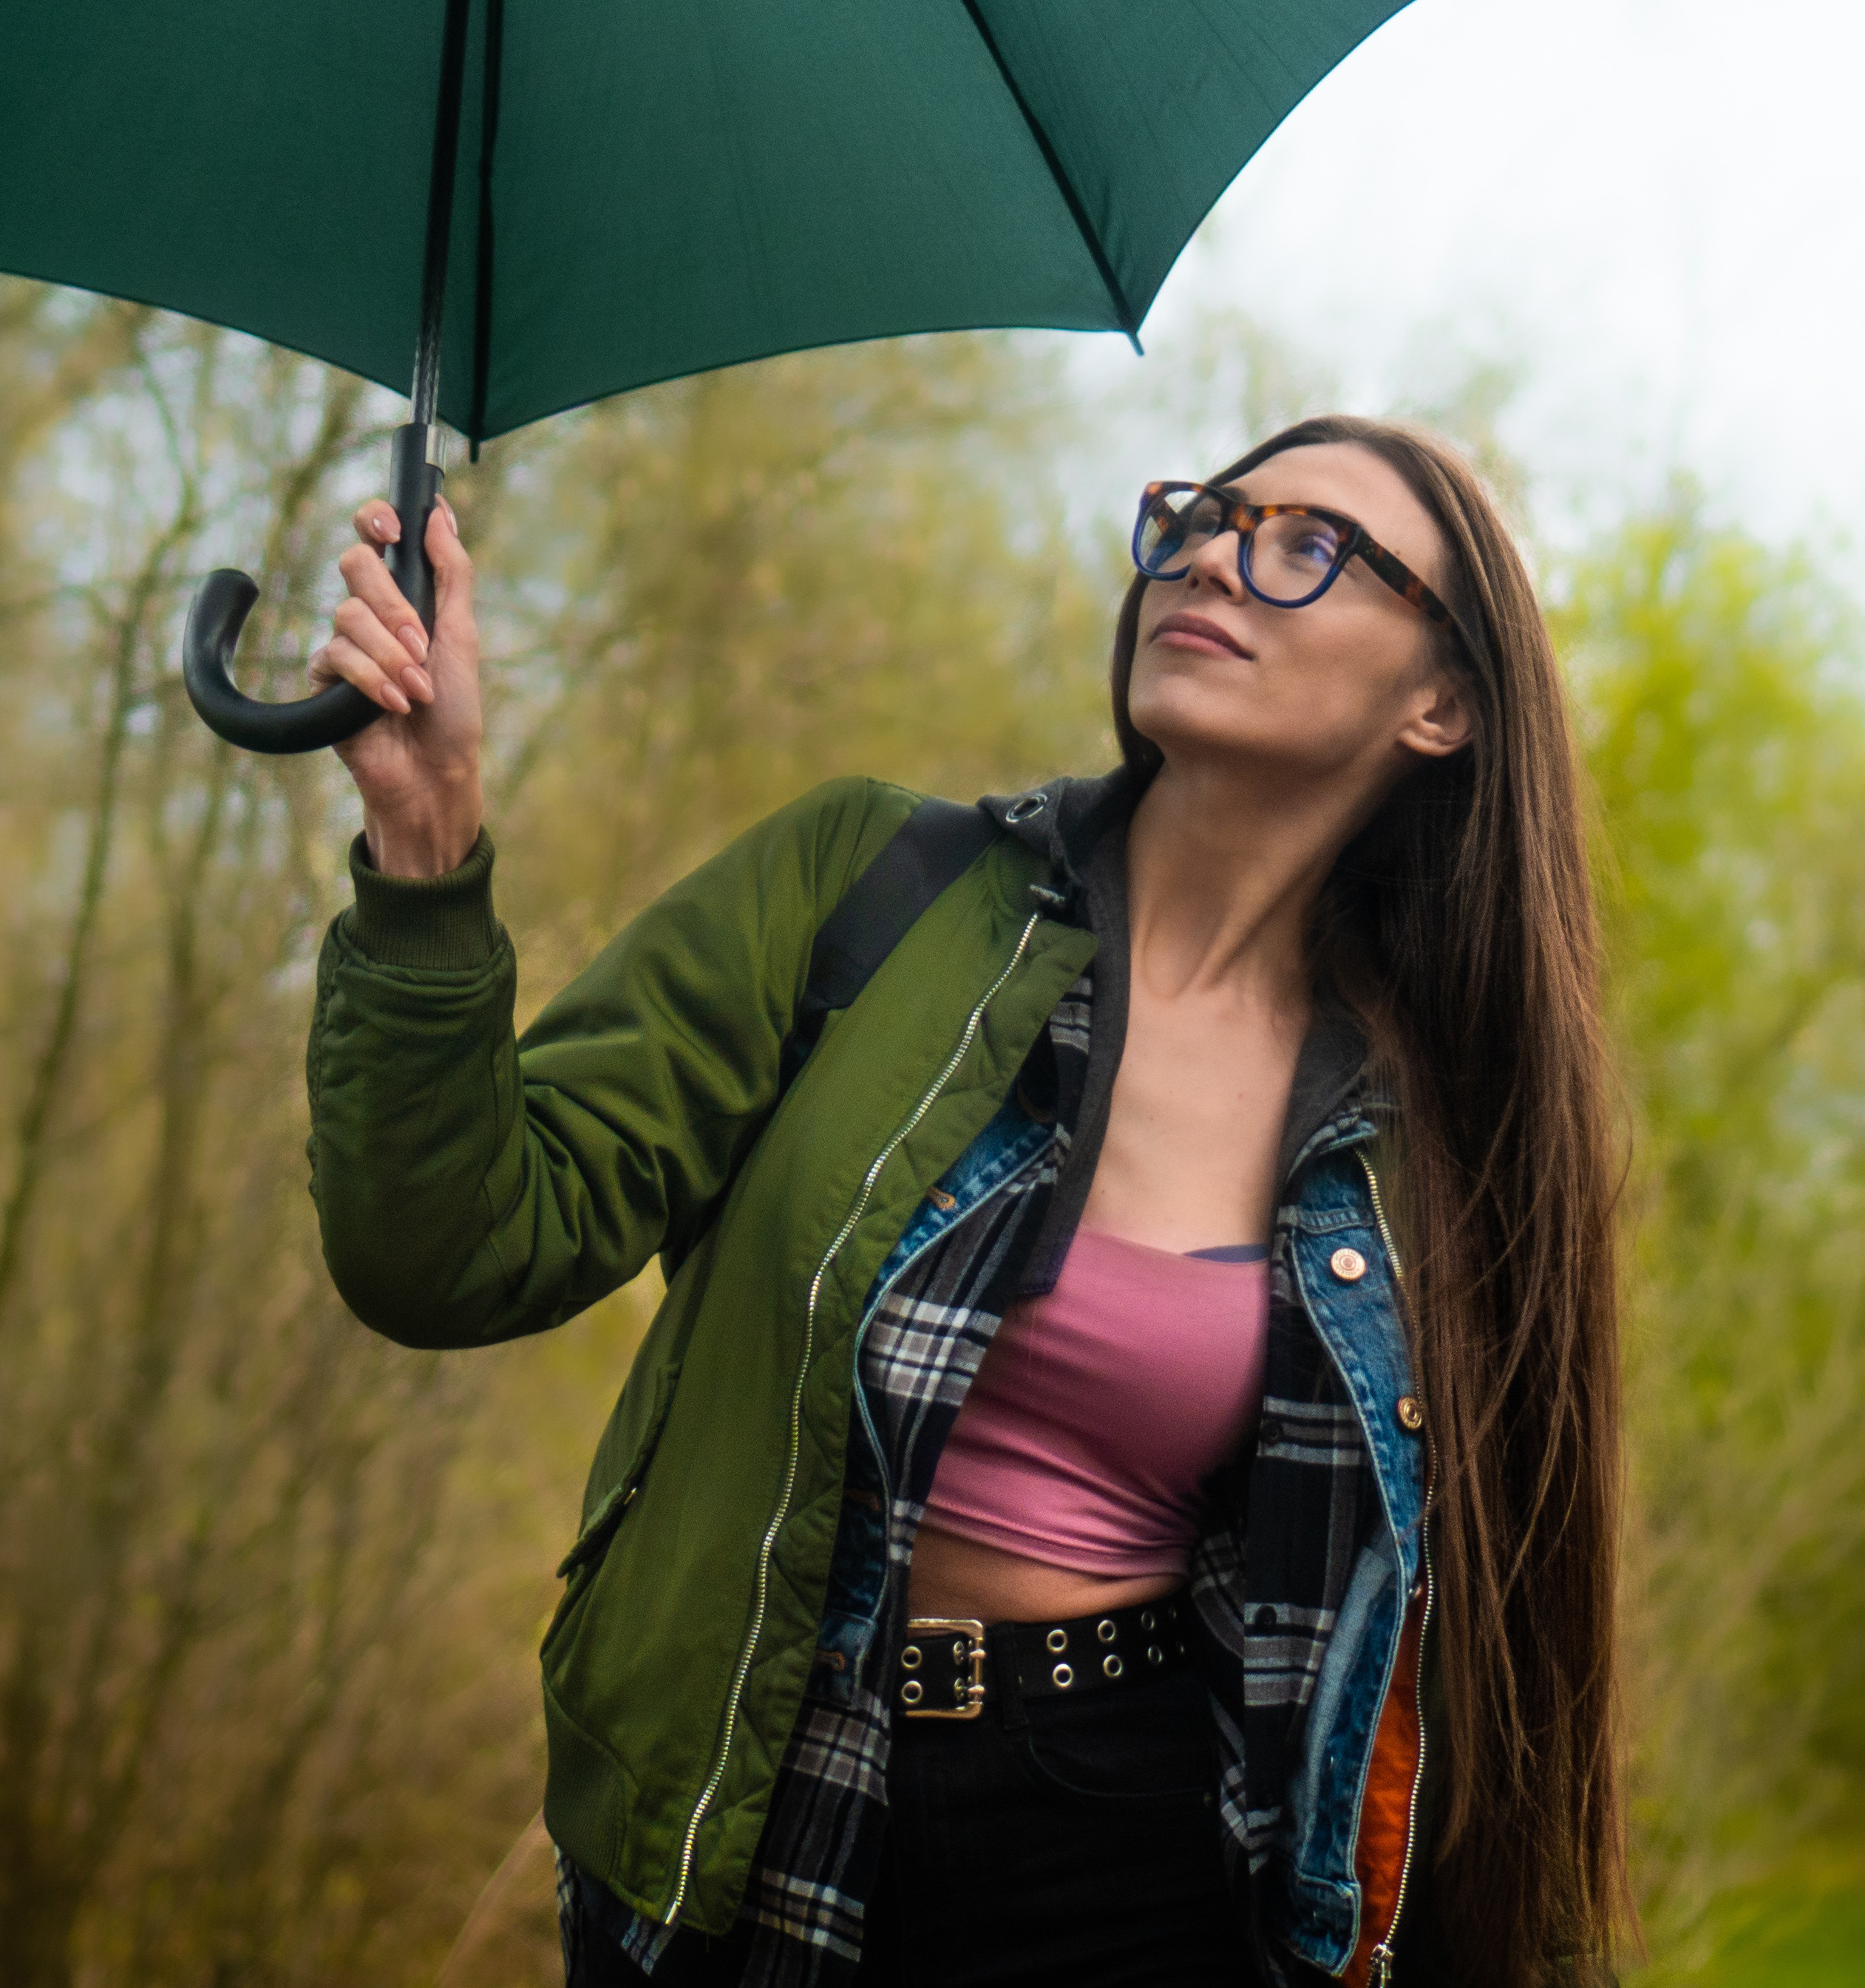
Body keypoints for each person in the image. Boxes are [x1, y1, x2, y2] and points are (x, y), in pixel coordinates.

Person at [303, 416, 1628, 1988]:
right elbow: (445, 1250)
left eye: (1306, 546)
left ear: (1445, 701)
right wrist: (426, 833)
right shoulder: (875, 889)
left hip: (1130, 1841)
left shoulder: (1428, 1138)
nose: (1210, 555)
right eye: (1202, 517)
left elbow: (1487, 1666)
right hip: (748, 1807)